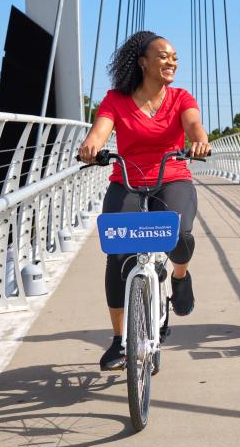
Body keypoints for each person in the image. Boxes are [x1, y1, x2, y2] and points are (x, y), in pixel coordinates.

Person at [78, 30, 211, 370]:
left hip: (172, 176)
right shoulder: (116, 100)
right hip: (127, 179)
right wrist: (91, 145)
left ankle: (179, 277)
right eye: (164, 56)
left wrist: (199, 141)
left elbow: (194, 125)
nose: (172, 62)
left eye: (175, 58)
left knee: (180, 236)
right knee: (118, 253)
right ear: (142, 62)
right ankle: (119, 340)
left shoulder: (181, 97)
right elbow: (101, 129)